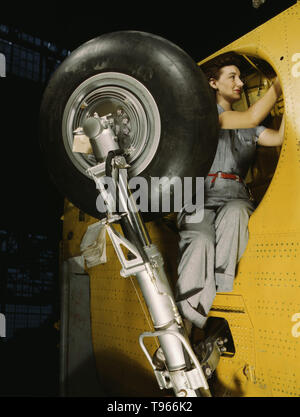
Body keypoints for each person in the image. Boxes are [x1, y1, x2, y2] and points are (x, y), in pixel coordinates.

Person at [175, 52, 285, 335]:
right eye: (231, 77)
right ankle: (184, 326)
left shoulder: (251, 128)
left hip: (234, 194)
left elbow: (278, 137)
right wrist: (281, 82)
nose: (239, 83)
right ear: (213, 83)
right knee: (199, 239)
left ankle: (220, 298)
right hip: (198, 195)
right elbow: (250, 116)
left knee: (237, 214)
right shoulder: (208, 116)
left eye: (239, 77)